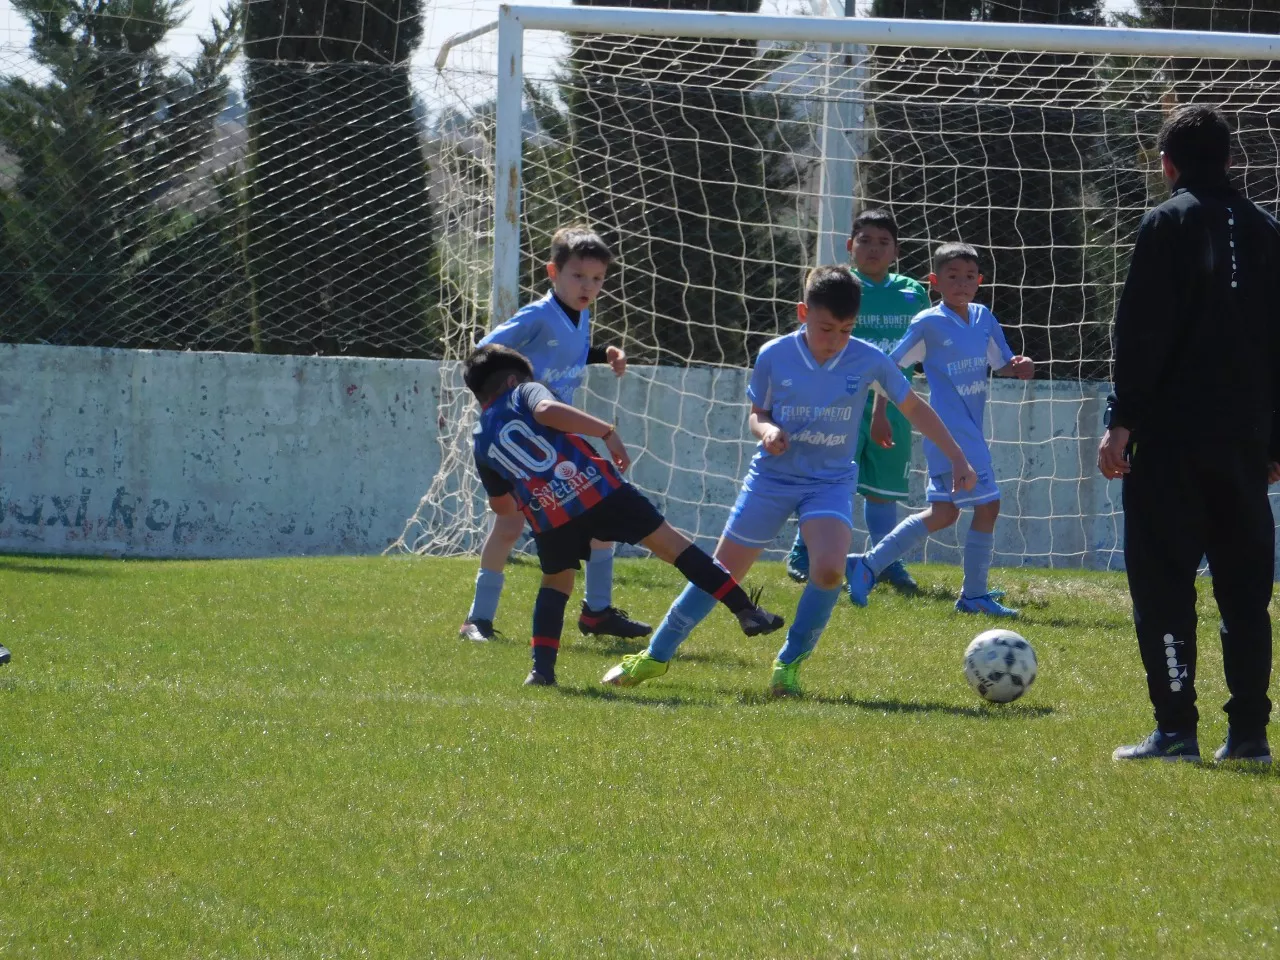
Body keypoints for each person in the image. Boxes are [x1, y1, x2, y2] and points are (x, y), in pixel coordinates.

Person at [601, 265, 977, 697]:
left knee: (830, 569)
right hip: (772, 480)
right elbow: (757, 413)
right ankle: (654, 656)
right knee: (721, 573)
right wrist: (767, 431)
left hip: (830, 481)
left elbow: (914, 408)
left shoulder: (869, 358)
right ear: (803, 313)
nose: (835, 339)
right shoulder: (774, 355)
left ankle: (789, 664)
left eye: (846, 329)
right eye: (826, 328)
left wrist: (957, 457)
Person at [1102, 105, 1280, 764]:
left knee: (1164, 585)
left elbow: (1140, 333)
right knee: (1245, 593)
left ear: (1167, 163)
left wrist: (1120, 421)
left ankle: (1177, 730)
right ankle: (1251, 736)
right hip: (1243, 444)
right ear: (1231, 160)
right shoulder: (1269, 230)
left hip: (1174, 442)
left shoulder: (1166, 223)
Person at [465, 344, 785, 687]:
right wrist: (607, 431)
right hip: (598, 489)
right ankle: (745, 610)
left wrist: (539, 493)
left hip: (551, 516)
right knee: (672, 546)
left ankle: (541, 672)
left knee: (556, 583)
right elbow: (545, 409)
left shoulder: (480, 437)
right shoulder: (524, 391)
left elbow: (502, 506)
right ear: (515, 380)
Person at [460, 226, 650, 644]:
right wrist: (502, 410)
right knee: (508, 525)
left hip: (558, 437)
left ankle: (598, 611)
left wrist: (604, 353)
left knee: (603, 516)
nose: (588, 286)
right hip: (525, 442)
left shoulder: (578, 315)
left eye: (597, 279)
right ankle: (477, 619)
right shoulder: (538, 315)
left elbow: (564, 352)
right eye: (578, 276)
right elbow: (483, 354)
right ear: (553, 272)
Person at [845, 242, 1034, 616]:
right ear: (935, 281)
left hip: (970, 430)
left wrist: (1018, 365)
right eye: (952, 276)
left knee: (944, 514)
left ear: (979, 281)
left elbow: (1001, 363)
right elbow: (892, 368)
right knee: (989, 504)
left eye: (968, 277)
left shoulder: (983, 318)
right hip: (949, 431)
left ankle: (867, 564)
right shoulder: (927, 323)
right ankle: (974, 595)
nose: (961, 283)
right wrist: (881, 413)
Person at [785, 209, 928, 592]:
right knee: (830, 481)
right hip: (840, 404)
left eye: (884, 242)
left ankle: (886, 561)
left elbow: (925, 345)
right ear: (850, 246)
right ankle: (804, 552)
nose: (873, 249)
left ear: (896, 250)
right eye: (864, 240)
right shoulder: (839, 288)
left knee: (884, 490)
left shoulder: (913, 293)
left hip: (894, 406)